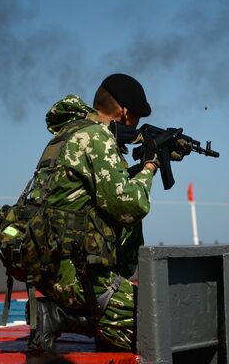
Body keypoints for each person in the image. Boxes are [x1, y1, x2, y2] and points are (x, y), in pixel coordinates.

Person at [23, 73, 186, 353]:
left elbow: (107, 190)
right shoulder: (98, 138)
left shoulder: (72, 132)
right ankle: (60, 316)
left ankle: (84, 311)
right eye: (135, 117)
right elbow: (129, 207)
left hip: (48, 266)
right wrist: (150, 165)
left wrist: (147, 160)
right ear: (124, 112)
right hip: (75, 275)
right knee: (165, 329)